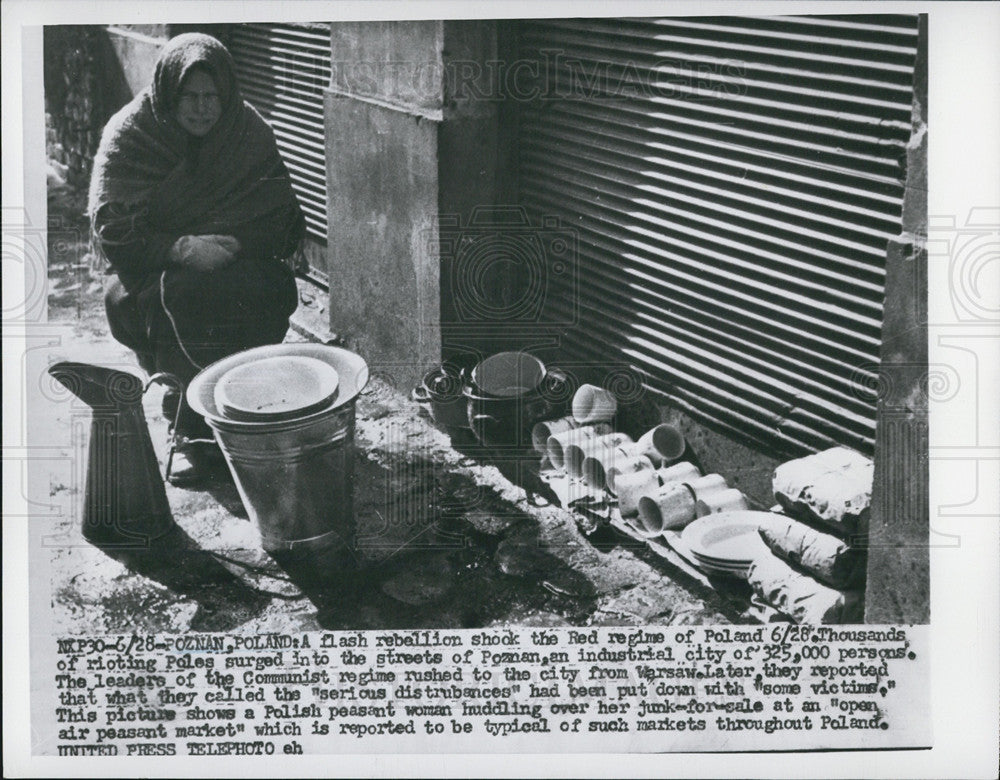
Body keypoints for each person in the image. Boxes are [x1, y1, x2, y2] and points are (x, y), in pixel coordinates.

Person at [89, 33, 305, 484]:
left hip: (232, 264)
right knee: (183, 295)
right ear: (169, 90)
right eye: (191, 96)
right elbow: (115, 231)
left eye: (213, 97)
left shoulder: (246, 130)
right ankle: (189, 427)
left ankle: (244, 411)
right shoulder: (131, 133)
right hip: (154, 273)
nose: (203, 108)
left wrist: (237, 244)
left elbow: (283, 218)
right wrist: (181, 248)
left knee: (264, 289)